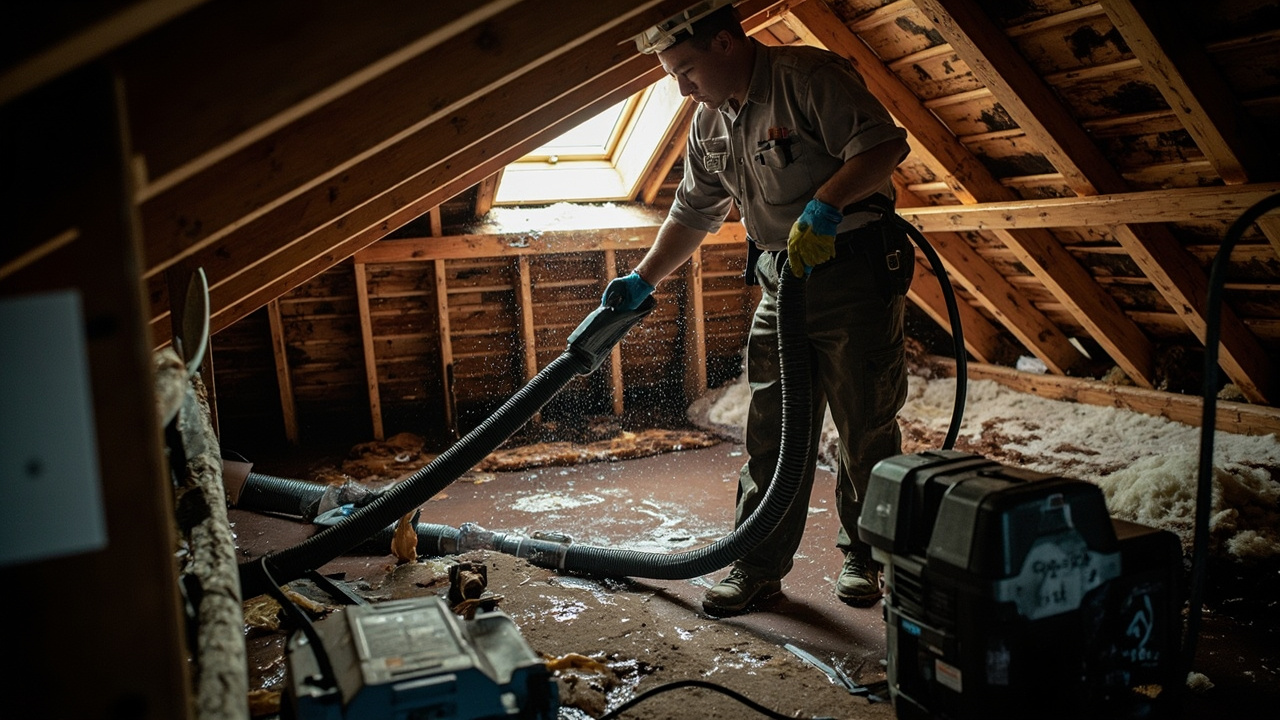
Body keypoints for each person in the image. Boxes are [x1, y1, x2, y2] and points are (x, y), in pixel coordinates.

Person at [603, 0, 912, 615]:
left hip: (851, 273)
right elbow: (695, 212)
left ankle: (869, 557)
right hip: (781, 280)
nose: (683, 89)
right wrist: (642, 278)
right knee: (772, 430)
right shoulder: (710, 121)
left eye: (685, 70)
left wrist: (826, 205)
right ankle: (757, 565)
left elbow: (883, 148)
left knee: (864, 426)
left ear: (724, 43)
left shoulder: (806, 80)